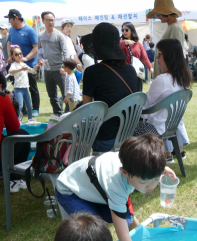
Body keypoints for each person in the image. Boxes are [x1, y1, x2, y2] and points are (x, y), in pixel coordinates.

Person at [55, 134, 177, 241]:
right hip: (71, 189)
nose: (151, 187)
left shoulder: (135, 162)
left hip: (95, 186)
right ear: (125, 173)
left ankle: (140, 235)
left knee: (126, 217)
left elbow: (145, 168)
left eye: (155, 179)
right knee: (93, 236)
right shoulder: (117, 187)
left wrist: (160, 170)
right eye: (144, 182)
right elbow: (123, 235)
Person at [82, 23, 138, 153]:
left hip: (105, 139)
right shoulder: (130, 70)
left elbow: (86, 109)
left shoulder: (92, 72)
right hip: (129, 136)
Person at [140, 38, 191, 162]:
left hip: (155, 127)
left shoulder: (162, 79)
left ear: (169, 55)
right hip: (172, 127)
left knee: (125, 129)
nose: (157, 57)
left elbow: (144, 107)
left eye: (160, 54)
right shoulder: (184, 79)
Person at [6, 9, 40, 117]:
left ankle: (35, 109)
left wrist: (25, 58)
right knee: (18, 87)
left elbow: (36, 48)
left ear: (16, 18)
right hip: (15, 65)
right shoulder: (11, 30)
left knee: (32, 88)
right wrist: (10, 56)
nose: (9, 22)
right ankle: (23, 109)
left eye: (10, 19)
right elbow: (9, 43)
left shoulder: (30, 31)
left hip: (28, 64)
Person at [38, 11, 69, 116]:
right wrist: (40, 59)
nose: (51, 22)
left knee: (66, 94)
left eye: (52, 20)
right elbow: (39, 50)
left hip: (59, 69)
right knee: (52, 95)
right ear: (43, 21)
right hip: (47, 70)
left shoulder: (59, 35)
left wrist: (64, 67)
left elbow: (66, 52)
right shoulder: (40, 35)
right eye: (48, 20)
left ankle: (68, 114)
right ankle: (57, 114)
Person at [146, 0, 186, 77]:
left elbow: (174, 56)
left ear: (167, 13)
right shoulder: (170, 27)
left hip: (168, 78)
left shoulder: (175, 27)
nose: (158, 16)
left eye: (159, 13)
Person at [9, 46, 40, 121]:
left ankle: (30, 120)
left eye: (20, 53)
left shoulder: (24, 64)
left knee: (29, 105)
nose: (19, 55)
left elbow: (32, 71)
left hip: (25, 88)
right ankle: (18, 121)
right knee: (20, 105)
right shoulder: (14, 65)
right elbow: (11, 72)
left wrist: (38, 65)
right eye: (16, 54)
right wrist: (20, 69)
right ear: (13, 56)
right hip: (18, 88)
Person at [120, 21, 153, 92]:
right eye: (122, 30)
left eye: (126, 30)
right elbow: (117, 45)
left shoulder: (138, 44)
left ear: (132, 30)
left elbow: (145, 58)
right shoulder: (121, 42)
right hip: (124, 75)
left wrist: (150, 68)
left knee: (137, 96)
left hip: (137, 75)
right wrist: (126, 42)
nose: (124, 32)